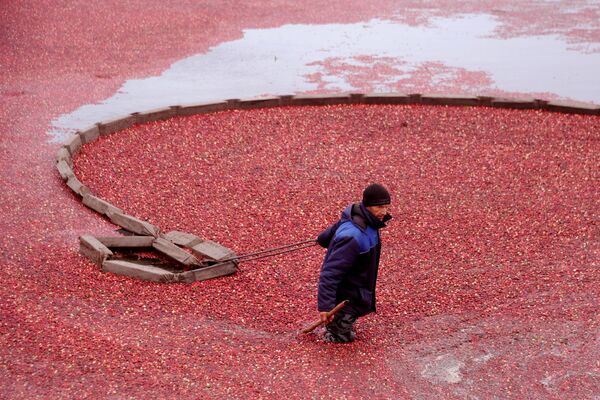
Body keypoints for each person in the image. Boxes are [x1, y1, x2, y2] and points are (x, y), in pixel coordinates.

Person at [316, 183, 392, 343]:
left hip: (356, 291)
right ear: (367, 205)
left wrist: (323, 239)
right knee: (340, 339)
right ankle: (333, 335)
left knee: (349, 320)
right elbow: (330, 274)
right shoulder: (352, 236)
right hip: (345, 298)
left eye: (386, 207)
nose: (384, 212)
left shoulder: (365, 220)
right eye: (379, 207)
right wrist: (326, 307)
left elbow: (329, 234)